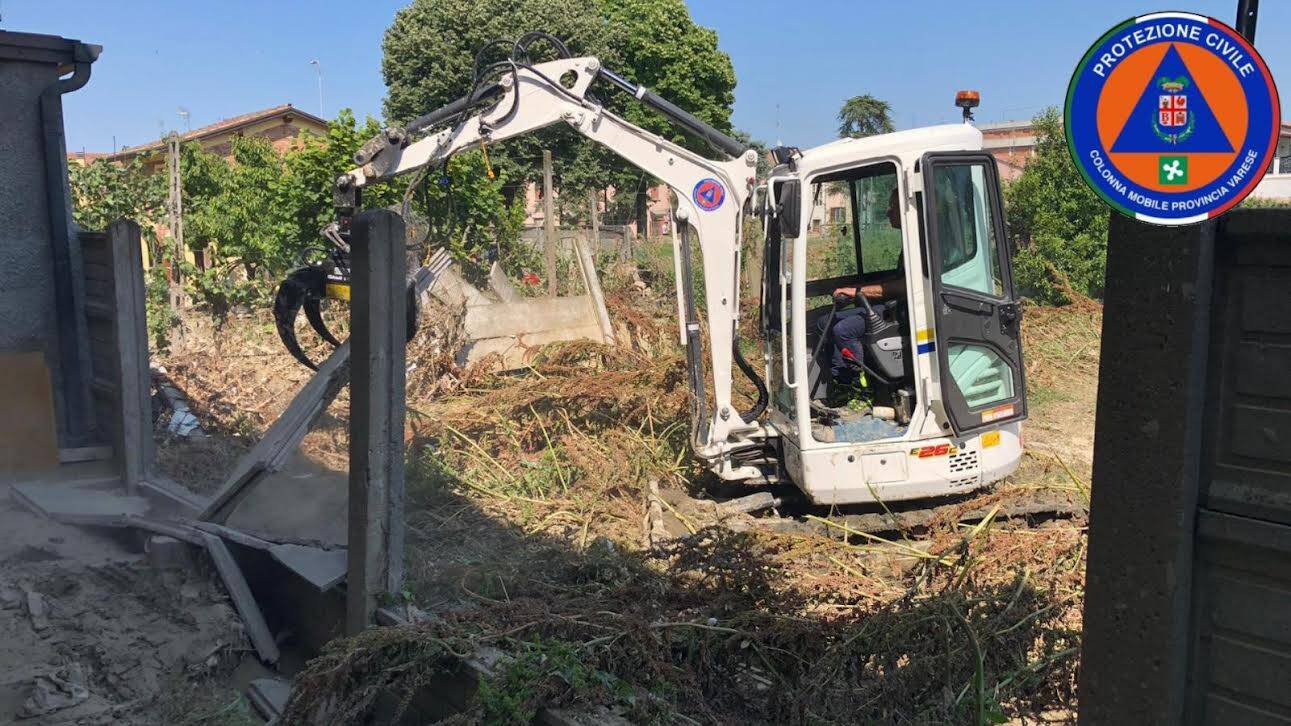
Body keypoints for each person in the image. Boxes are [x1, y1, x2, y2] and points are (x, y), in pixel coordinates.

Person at [816, 186, 905, 398]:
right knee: (824, 322)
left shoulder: (919, 240)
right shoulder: (908, 241)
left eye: (893, 206)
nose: (888, 211)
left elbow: (902, 287)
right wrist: (856, 289)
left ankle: (861, 388)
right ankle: (839, 381)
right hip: (891, 306)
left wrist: (857, 292)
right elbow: (896, 279)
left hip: (903, 311)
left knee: (843, 330)